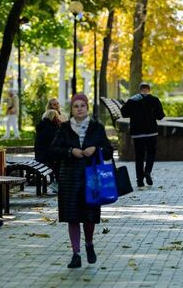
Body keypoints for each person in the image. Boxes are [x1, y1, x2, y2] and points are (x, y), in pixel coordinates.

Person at [49, 93, 113, 268]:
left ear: (87, 108)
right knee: (73, 216)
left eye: (82, 106)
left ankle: (89, 244)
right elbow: (53, 150)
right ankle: (75, 254)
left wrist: (96, 149)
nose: (79, 109)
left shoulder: (96, 127)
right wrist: (70, 151)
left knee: (89, 215)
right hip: (70, 177)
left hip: (91, 177)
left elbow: (108, 150)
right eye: (76, 106)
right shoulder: (64, 128)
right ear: (71, 109)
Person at [120, 82, 165, 187]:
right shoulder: (154, 100)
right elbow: (160, 116)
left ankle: (140, 181)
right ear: (149, 90)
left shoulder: (132, 100)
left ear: (139, 90)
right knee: (151, 154)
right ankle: (147, 171)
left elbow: (124, 113)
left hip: (138, 133)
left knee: (139, 157)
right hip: (151, 132)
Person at [35, 99, 65, 192]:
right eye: (57, 118)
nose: (58, 119)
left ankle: (58, 183)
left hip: (41, 155)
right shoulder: (52, 128)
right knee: (61, 160)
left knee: (60, 158)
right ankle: (58, 183)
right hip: (46, 156)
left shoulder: (44, 125)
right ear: (54, 118)